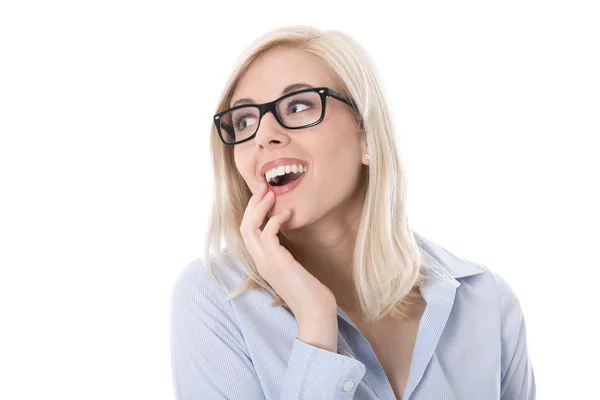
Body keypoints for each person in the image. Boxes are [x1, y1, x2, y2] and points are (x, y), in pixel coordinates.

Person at [169, 25, 536, 400]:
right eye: (244, 120)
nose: (264, 135)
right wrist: (315, 324)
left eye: (298, 105)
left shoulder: (486, 302)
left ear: (367, 137)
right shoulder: (213, 298)